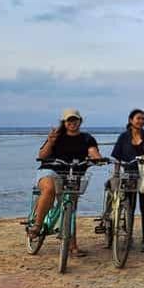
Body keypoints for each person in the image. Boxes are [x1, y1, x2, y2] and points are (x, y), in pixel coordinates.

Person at [31, 108, 103, 257]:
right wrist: (50, 142)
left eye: (75, 120)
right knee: (49, 189)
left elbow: (93, 152)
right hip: (50, 170)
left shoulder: (87, 138)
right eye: (69, 120)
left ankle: (72, 245)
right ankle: (37, 226)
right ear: (64, 122)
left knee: (71, 208)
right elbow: (42, 155)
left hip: (73, 174)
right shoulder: (57, 136)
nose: (72, 123)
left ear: (80, 121)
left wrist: (97, 159)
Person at [109, 109, 144, 252]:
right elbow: (117, 157)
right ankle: (128, 236)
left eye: (143, 119)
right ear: (131, 120)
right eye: (138, 118)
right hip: (129, 174)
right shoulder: (123, 137)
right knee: (129, 207)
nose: (141, 121)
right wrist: (116, 175)